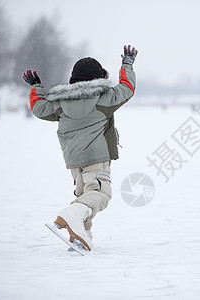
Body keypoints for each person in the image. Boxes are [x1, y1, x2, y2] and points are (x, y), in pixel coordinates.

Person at [23, 45, 138, 251]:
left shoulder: (60, 103)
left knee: (85, 196)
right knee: (101, 195)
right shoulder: (104, 99)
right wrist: (127, 64)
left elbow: (38, 108)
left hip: (74, 160)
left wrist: (36, 86)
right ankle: (71, 215)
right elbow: (127, 88)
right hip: (97, 156)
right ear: (99, 78)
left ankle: (81, 237)